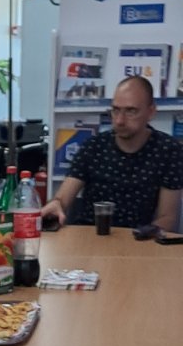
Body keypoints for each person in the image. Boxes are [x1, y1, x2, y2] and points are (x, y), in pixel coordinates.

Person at [43, 76, 183, 230]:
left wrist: (143, 236)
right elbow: (62, 198)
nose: (119, 120)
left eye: (131, 111)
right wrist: (56, 204)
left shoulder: (168, 151)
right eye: (115, 110)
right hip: (90, 235)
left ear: (151, 112)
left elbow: (167, 218)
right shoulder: (93, 147)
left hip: (138, 238)